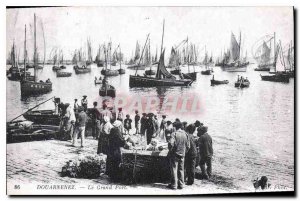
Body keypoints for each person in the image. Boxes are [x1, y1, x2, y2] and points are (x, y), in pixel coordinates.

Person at [167, 121, 190, 190]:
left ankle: (174, 185)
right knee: (181, 170)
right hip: (182, 154)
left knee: (174, 169)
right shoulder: (186, 134)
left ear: (175, 127)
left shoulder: (174, 134)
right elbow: (188, 146)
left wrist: (170, 150)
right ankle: (181, 185)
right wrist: (184, 152)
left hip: (175, 154)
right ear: (181, 127)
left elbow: (171, 144)